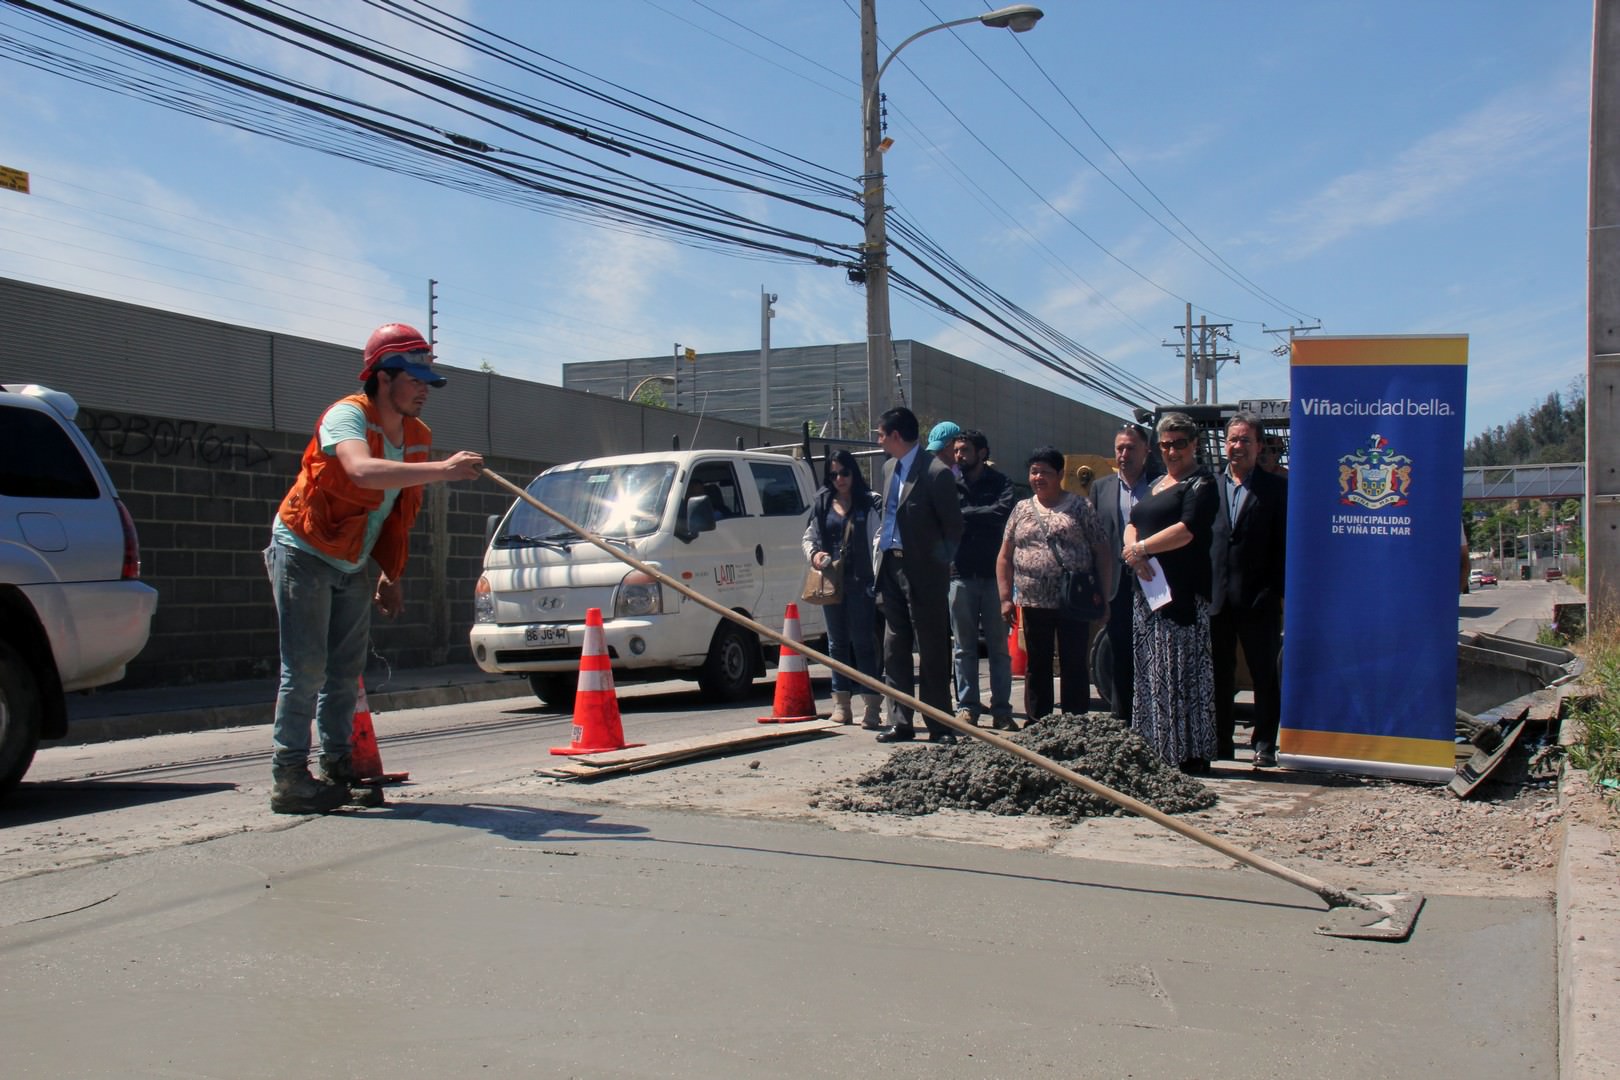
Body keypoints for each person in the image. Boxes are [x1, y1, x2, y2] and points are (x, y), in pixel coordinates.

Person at [264, 323, 484, 814]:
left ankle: (338, 766)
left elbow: (395, 510)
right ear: (383, 377)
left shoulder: (415, 435)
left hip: (353, 559)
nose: (424, 390)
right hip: (305, 548)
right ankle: (289, 778)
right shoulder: (347, 417)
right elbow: (360, 471)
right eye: (414, 379)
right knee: (305, 668)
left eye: (427, 381)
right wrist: (444, 470)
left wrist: (390, 574)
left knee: (345, 670)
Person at [1122, 412, 1219, 774]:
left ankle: (1187, 751)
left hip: (1181, 595)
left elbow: (1187, 530)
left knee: (1182, 674)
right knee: (1152, 673)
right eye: (1166, 445)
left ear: (1194, 444)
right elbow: (1132, 522)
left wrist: (1144, 548)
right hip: (1148, 594)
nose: (1173, 451)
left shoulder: (1201, 482)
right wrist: (1134, 553)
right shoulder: (1157, 483)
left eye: (1180, 444)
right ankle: (1155, 746)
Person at [997, 447, 1112, 725]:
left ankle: (1074, 723)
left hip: (1073, 600)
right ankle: (1038, 722)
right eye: (1034, 472)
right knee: (1037, 664)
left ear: (1060, 475)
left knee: (1074, 663)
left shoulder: (1080, 507)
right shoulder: (1022, 509)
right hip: (1033, 601)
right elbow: (1004, 556)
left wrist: (1104, 597)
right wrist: (1005, 597)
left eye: (1044, 472)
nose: (1038, 477)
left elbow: (1103, 552)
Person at [873, 406, 964, 743]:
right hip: (891, 566)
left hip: (925, 571)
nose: (880, 441)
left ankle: (939, 723)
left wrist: (939, 565)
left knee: (932, 647)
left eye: (881, 435)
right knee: (894, 646)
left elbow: (953, 527)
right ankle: (900, 720)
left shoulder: (936, 472)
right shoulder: (887, 469)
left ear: (896, 435)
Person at [1209, 411, 1288, 768]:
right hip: (1217, 599)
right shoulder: (1209, 487)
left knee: (1264, 675)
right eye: (1232, 440)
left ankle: (1265, 743)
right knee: (1218, 674)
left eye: (1244, 440)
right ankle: (1221, 740)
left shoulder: (1278, 491)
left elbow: (1285, 546)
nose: (1237, 446)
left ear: (1258, 446)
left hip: (1260, 598)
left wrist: (1275, 592)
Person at [802, 449, 884, 728]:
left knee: (863, 643)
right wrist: (815, 555)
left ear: (854, 472)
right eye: (833, 474)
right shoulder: (822, 502)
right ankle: (841, 705)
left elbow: (878, 537)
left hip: (861, 582)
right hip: (831, 581)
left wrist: (878, 574)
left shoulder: (869, 502)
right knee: (836, 644)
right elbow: (809, 536)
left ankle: (872, 706)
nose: (839, 478)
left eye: (844, 472)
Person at [1090, 422, 1161, 721]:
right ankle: (1122, 717)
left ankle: (1154, 719)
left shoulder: (1161, 486)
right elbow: (1094, 537)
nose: (1124, 454)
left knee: (1154, 654)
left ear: (1146, 451)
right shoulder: (1101, 487)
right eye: (1120, 448)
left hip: (1153, 581)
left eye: (1131, 448)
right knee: (1119, 651)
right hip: (1115, 584)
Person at [948, 429, 1017, 730]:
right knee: (963, 648)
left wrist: (966, 515)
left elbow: (1003, 512)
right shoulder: (950, 484)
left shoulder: (1000, 482)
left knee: (999, 648)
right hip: (959, 575)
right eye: (957, 450)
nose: (959, 455)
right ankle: (967, 707)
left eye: (965, 450)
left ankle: (1002, 710)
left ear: (982, 453)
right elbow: (949, 517)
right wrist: (977, 514)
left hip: (994, 577)